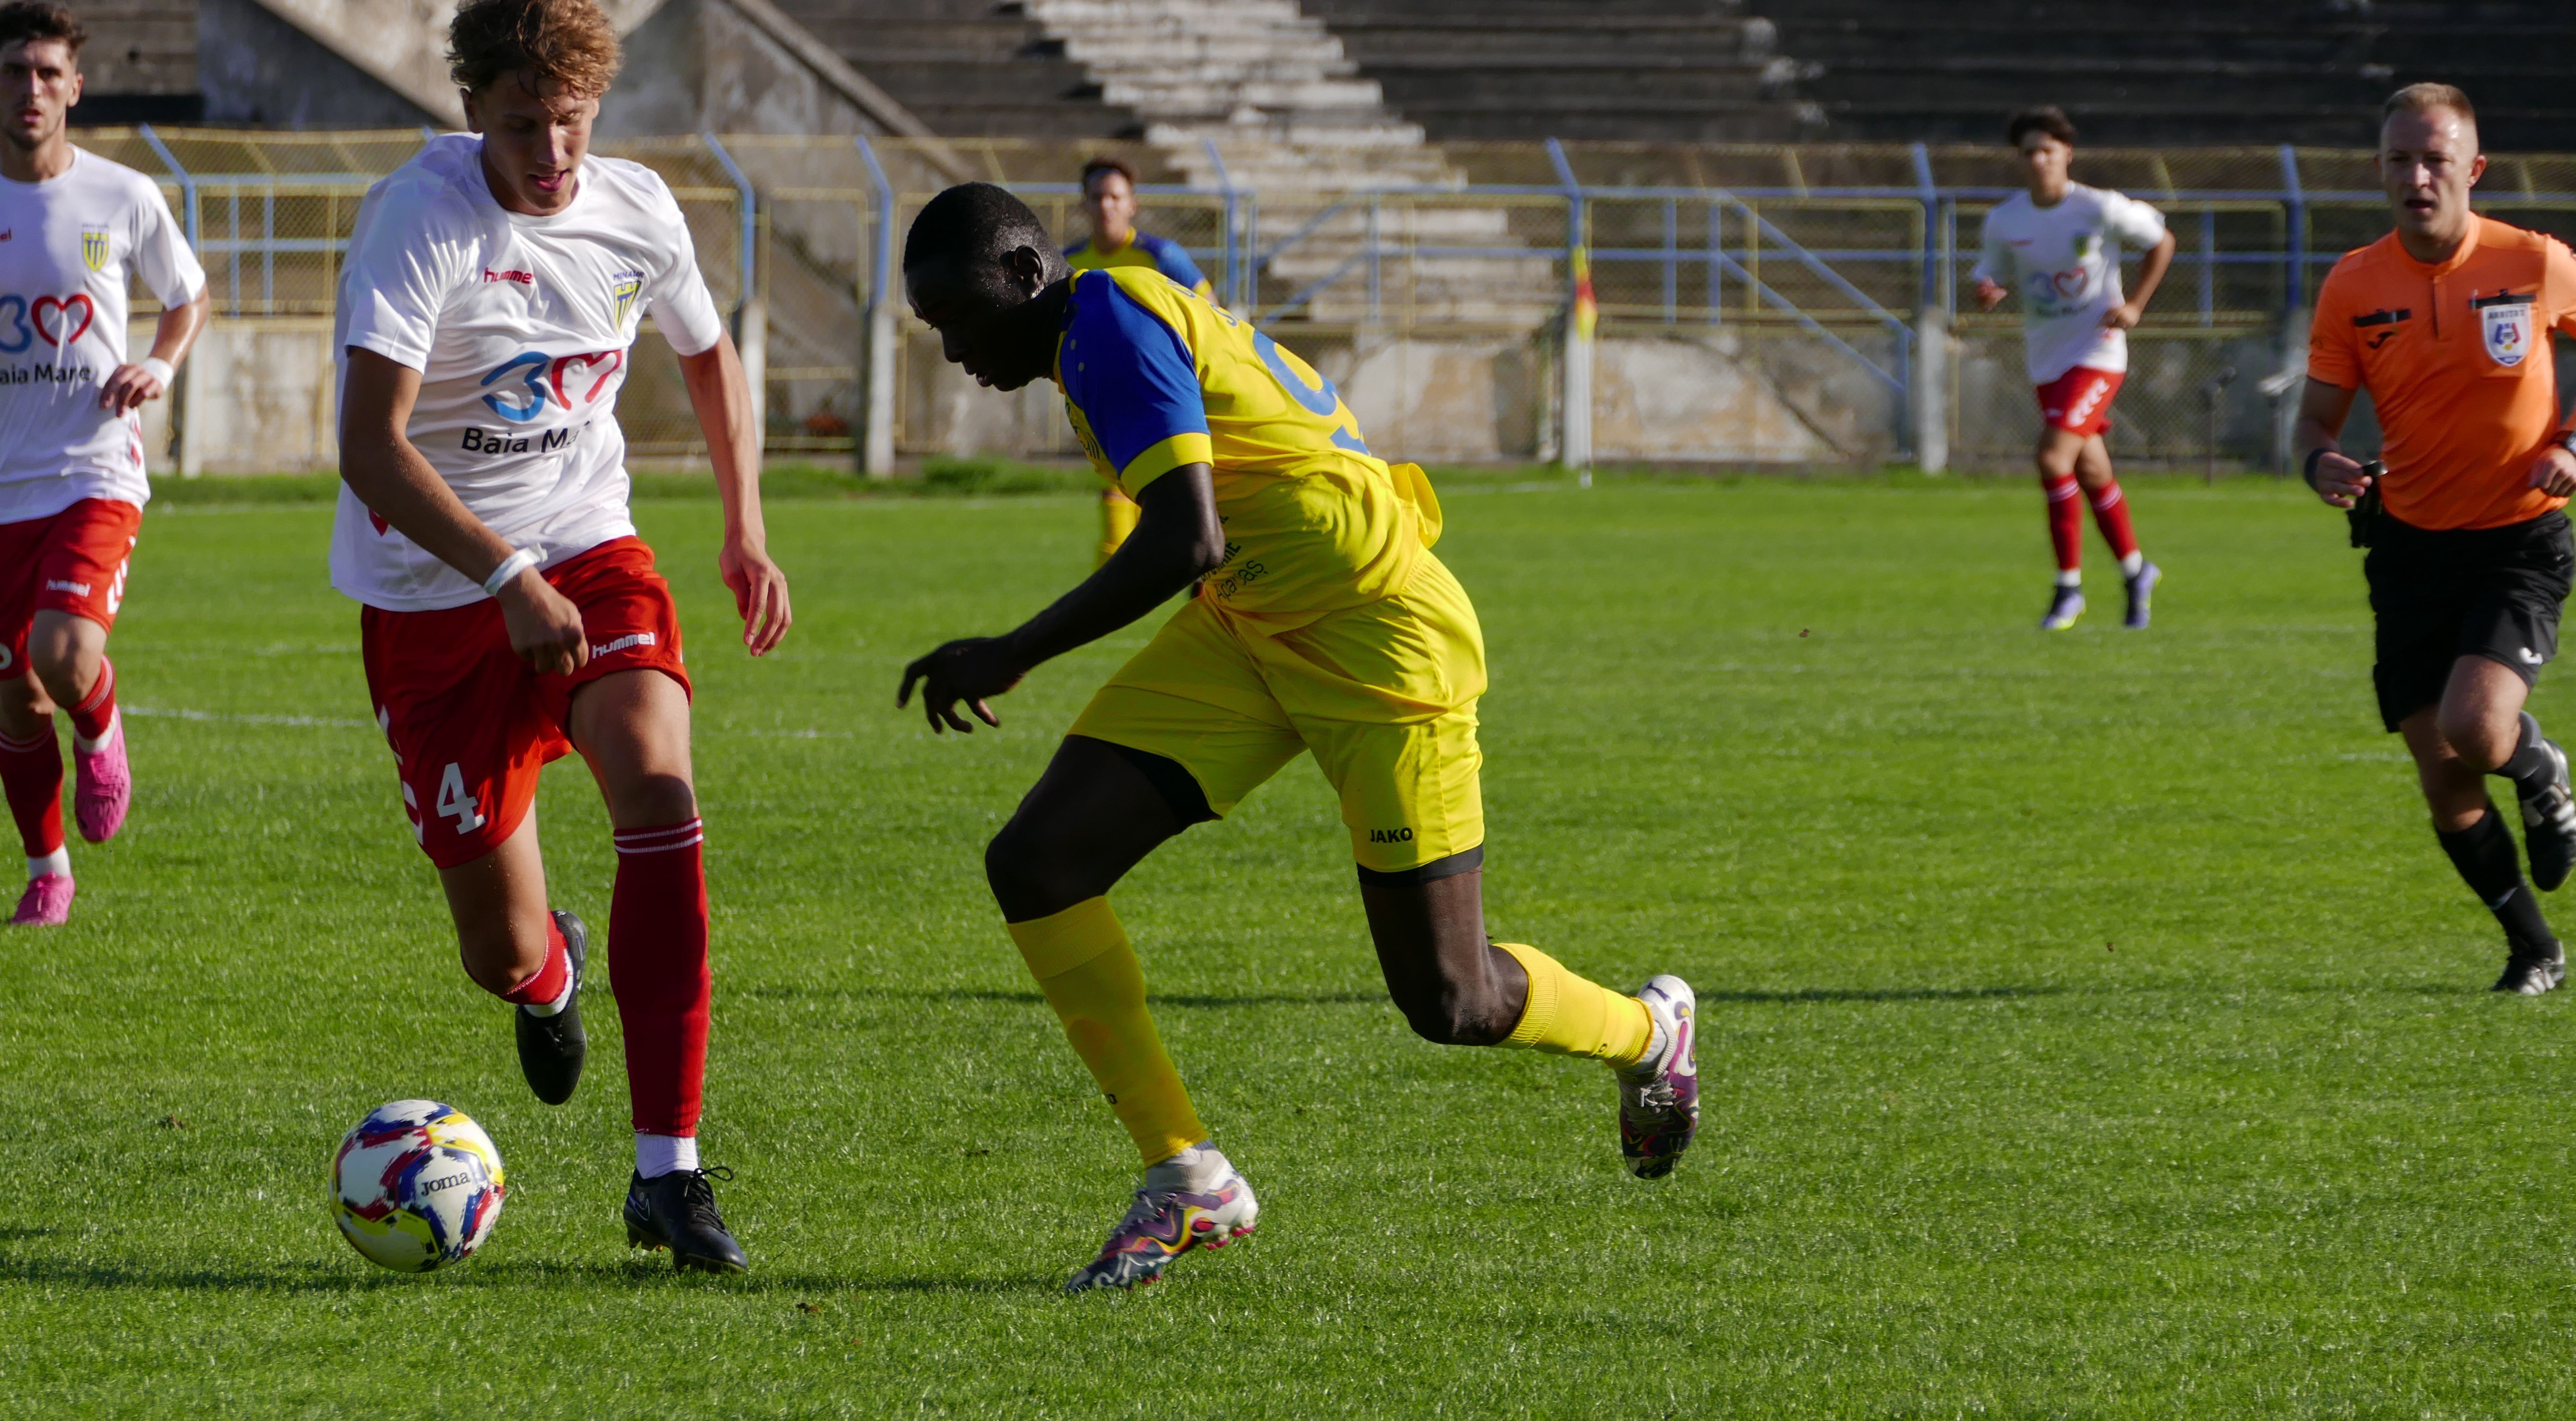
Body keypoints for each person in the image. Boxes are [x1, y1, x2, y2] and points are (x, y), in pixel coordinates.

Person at [897, 183, 1700, 1294]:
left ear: (1028, 275)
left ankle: (1647, 1034)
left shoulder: (1112, 326)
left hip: (1376, 636)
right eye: (931, 326)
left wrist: (1015, 649)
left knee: (1451, 1000)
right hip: (1255, 622)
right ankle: (1188, 1178)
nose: (950, 348)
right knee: (1038, 861)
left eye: (956, 314)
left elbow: (1186, 536)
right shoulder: (1102, 328)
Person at [333, 0, 791, 1269]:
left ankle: (670, 1171)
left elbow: (709, 356)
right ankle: (552, 980)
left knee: (659, 781)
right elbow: (369, 446)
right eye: (522, 120)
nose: (549, 148)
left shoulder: (636, 210)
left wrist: (744, 528)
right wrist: (501, 575)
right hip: (433, 596)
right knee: (503, 950)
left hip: (589, 550)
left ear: (599, 108)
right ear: (472, 107)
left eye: (570, 121)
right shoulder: (419, 224)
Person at [2298, 83, 2576, 995]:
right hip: (2408, 548)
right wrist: (2320, 464)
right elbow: (2313, 423)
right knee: (2442, 777)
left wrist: (2570, 443)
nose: (2415, 177)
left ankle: (2541, 769)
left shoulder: (2532, 261)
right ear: (2378, 169)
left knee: (2475, 727)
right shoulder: (2352, 281)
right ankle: (2532, 949)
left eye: (2433, 160)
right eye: (2397, 161)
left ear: (2472, 169)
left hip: (2516, 538)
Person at [0, 1, 208, 927]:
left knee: (63, 650)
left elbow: (190, 294)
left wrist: (159, 362)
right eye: (15, 71)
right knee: (14, 697)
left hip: (93, 469)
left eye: (48, 72)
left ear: (76, 86)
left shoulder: (122, 195)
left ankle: (103, 722)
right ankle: (48, 868)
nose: (31, 88)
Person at [1972, 105, 2178, 631]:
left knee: (2051, 456)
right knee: (2090, 472)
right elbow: (1990, 269)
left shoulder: (2098, 208)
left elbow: (2161, 241)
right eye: (2029, 152)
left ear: (2067, 153)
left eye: (2048, 149)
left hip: (2098, 353)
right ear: (2019, 160)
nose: (2039, 159)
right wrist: (1988, 288)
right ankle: (2136, 572)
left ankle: (2068, 589)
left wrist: (2134, 305)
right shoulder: (2006, 219)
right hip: (2046, 360)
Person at [1063, 157, 1214, 565]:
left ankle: (1193, 578)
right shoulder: (1069, 262)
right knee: (1122, 489)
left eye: (1115, 196)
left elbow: (1211, 313)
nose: (1105, 206)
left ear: (1132, 205)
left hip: (1166, 393)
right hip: (1104, 398)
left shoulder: (1162, 257)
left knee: (1169, 491)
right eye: (1096, 197)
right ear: (1084, 205)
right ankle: (1121, 580)